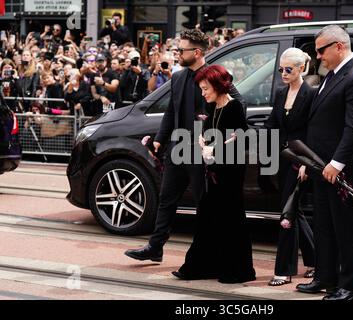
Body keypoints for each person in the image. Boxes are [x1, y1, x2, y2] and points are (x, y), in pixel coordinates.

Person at [124, 29, 245, 263]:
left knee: (205, 205)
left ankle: (211, 254)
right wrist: (160, 138)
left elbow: (238, 103)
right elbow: (172, 111)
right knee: (166, 199)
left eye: (181, 50)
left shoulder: (215, 76)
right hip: (178, 149)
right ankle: (155, 247)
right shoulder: (178, 77)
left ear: (197, 52)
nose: (177, 53)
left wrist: (216, 132)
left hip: (202, 152)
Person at [296, 25, 353, 300]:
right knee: (324, 226)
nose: (317, 56)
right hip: (321, 167)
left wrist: (337, 164)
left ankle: (350, 288)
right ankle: (325, 278)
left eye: (321, 50)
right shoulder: (333, 75)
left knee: (347, 230)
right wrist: (309, 161)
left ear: (339, 46)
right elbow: (320, 124)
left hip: (343, 171)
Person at [173, 64, 256, 283]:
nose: (203, 93)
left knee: (231, 220)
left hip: (231, 172)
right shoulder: (213, 108)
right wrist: (204, 142)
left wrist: (215, 148)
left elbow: (241, 139)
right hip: (215, 171)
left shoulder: (234, 107)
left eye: (205, 89)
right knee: (208, 218)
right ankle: (200, 267)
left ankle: (237, 270)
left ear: (218, 86)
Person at [265, 48, 316, 286]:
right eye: (280, 70)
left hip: (302, 160)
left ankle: (284, 271)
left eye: (288, 70)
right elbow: (272, 125)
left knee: (287, 212)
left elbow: (314, 132)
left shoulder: (311, 94)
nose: (283, 74)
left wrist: (308, 163)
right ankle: (317, 261)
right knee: (295, 210)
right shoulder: (279, 93)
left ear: (301, 69)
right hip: (283, 158)